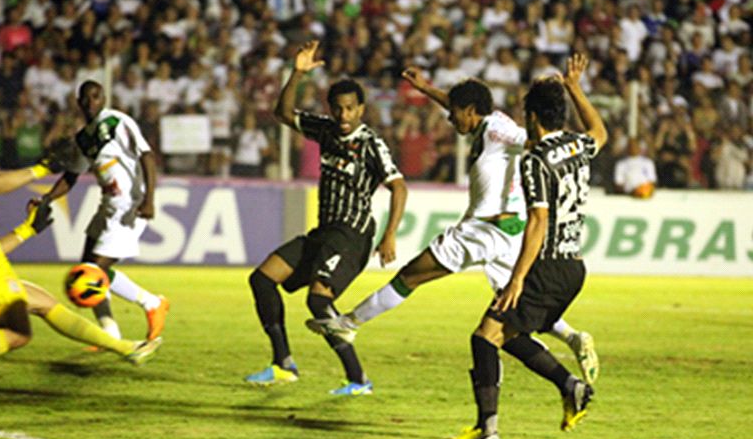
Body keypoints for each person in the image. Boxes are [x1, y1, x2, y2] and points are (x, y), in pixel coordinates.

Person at [307, 67, 599, 386]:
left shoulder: (500, 130)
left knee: (411, 275)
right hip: (508, 233)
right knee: (509, 304)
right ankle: (572, 342)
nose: (450, 119)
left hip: (484, 230)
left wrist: (545, 142)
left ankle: (350, 323)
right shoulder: (484, 121)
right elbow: (457, 102)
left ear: (471, 112)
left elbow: (527, 138)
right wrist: (426, 88)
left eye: (455, 114)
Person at [449, 54, 607, 439]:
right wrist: (575, 88)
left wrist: (517, 279)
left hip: (546, 267)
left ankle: (488, 429)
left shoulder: (535, 160)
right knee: (510, 335)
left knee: (485, 337)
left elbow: (537, 221)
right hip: (574, 268)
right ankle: (570, 386)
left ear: (534, 118)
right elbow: (600, 131)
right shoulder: (577, 144)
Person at [244, 40, 407, 395]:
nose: (344, 116)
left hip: (353, 235)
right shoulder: (326, 130)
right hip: (323, 232)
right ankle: (283, 364)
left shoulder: (371, 144)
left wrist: (390, 235)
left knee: (318, 300)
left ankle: (358, 379)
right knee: (262, 279)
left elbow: (399, 188)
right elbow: (284, 114)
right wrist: (297, 74)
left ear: (361, 109)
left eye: (350, 109)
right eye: (338, 109)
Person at [0, 130, 160, 375]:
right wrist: (42, 168)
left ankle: (126, 348)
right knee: (17, 333)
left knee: (43, 302)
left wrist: (26, 230)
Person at [32, 81, 169, 343]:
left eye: (96, 96)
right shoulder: (84, 138)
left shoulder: (117, 122)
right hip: (107, 206)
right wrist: (48, 198)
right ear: (78, 101)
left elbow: (147, 157)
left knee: (92, 271)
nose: (91, 102)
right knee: (88, 266)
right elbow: (71, 176)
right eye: (86, 98)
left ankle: (152, 303)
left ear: (103, 97)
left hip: (130, 208)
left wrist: (149, 199)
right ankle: (109, 334)